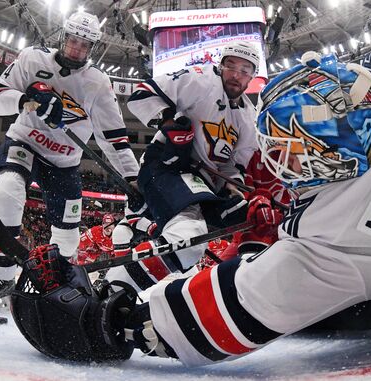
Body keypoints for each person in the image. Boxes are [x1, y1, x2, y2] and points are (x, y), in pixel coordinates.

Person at [2, 45, 371, 365]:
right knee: (190, 236)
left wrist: (111, 325)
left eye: (293, 154)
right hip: (175, 166)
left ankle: (115, 280)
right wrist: (172, 122)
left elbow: (230, 309)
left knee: (201, 244)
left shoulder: (333, 239)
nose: (281, 158)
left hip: (208, 181)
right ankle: (120, 271)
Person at [0, 11, 139, 309]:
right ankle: (2, 277)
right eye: (73, 40)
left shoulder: (98, 83)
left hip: (64, 162)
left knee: (68, 236)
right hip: (24, 141)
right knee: (6, 190)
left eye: (84, 44)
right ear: (63, 37)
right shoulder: (32, 58)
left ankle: (58, 289)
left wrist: (132, 178)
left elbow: (113, 137)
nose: (76, 48)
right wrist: (24, 100)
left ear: (92, 48)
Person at [110, 40, 265, 292]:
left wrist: (232, 184)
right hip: (167, 167)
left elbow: (233, 166)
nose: (236, 75)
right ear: (220, 65)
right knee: (189, 237)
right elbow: (142, 93)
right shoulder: (200, 79)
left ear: (252, 77)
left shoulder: (248, 118)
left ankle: (250, 291)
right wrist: (167, 119)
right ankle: (112, 291)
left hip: (203, 186)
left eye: (245, 70)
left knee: (252, 219)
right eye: (231, 65)